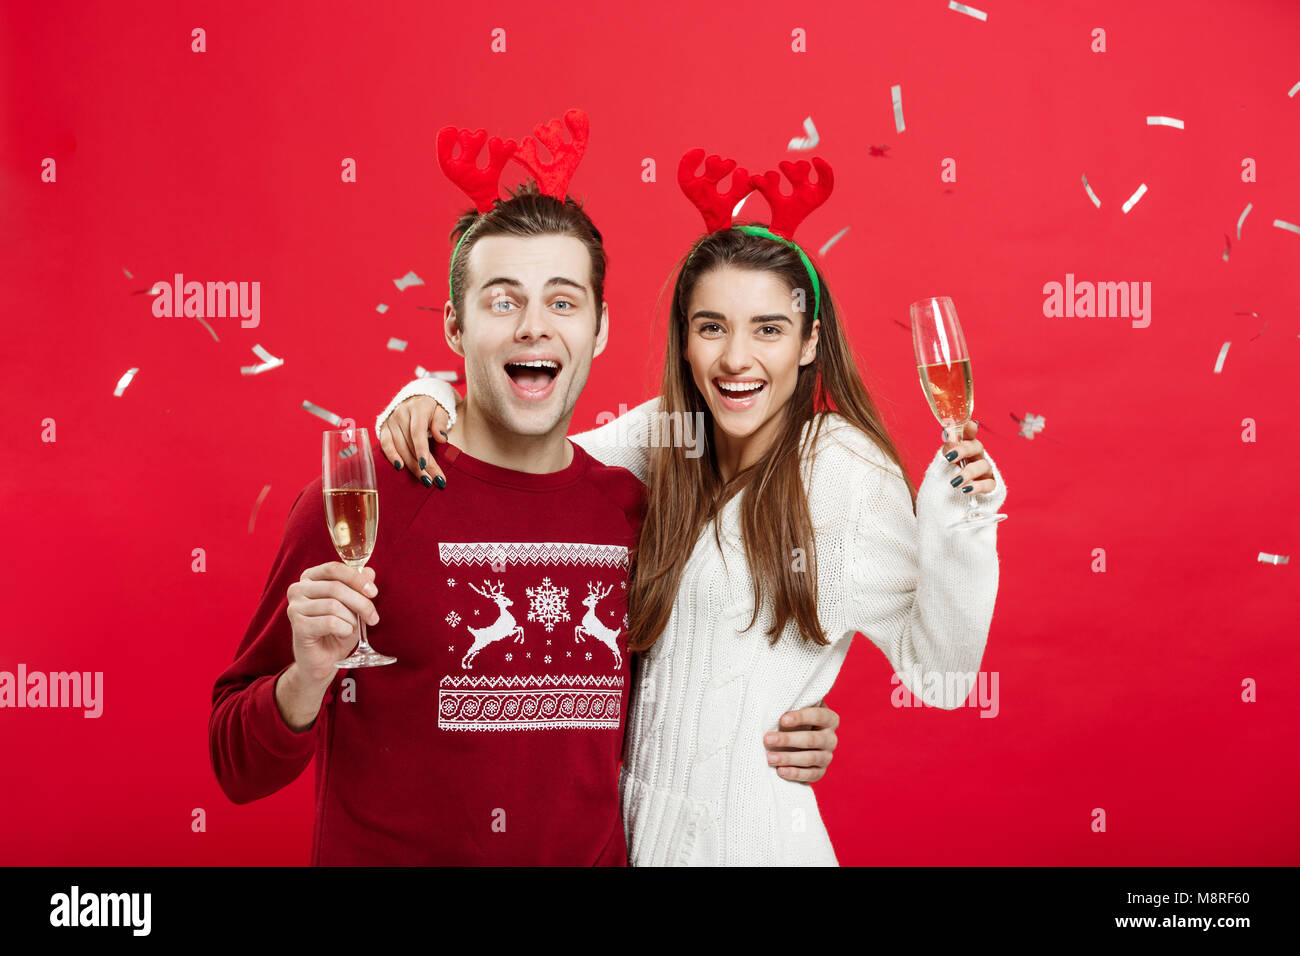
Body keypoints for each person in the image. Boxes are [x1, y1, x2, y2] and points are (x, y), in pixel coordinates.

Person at [209, 113, 835, 865]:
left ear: (599, 329)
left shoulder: (634, 511)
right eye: (502, 300)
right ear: (453, 324)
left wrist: (786, 723)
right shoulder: (366, 500)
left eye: (563, 302)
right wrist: (305, 680)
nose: (534, 327)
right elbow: (235, 765)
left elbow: (674, 706)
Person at [378, 148, 1008, 865]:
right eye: (712, 327)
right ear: (685, 340)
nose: (737, 358)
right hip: (634, 840)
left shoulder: (844, 472)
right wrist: (429, 393)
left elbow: (945, 675)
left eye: (768, 329)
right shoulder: (666, 437)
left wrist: (960, 523)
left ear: (809, 343)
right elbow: (527, 445)